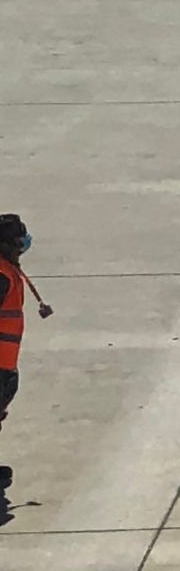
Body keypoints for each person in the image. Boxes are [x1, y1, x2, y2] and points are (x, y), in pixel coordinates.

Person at [0, 213, 53, 497]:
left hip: (6, 359)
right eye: (19, 239)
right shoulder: (1, 276)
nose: (24, 243)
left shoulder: (8, 270)